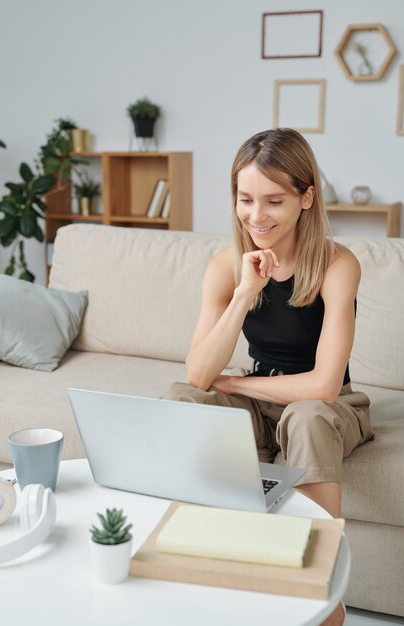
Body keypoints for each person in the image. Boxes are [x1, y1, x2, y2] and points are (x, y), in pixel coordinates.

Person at [162, 128, 374, 626]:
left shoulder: (337, 265)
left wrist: (234, 384)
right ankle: (195, 559)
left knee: (305, 418)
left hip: (329, 406)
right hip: (263, 405)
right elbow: (197, 374)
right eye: (245, 199)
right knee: (180, 398)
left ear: (306, 197)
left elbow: (322, 385)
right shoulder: (224, 266)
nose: (256, 217)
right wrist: (244, 291)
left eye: (274, 201)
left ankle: (320, 594)